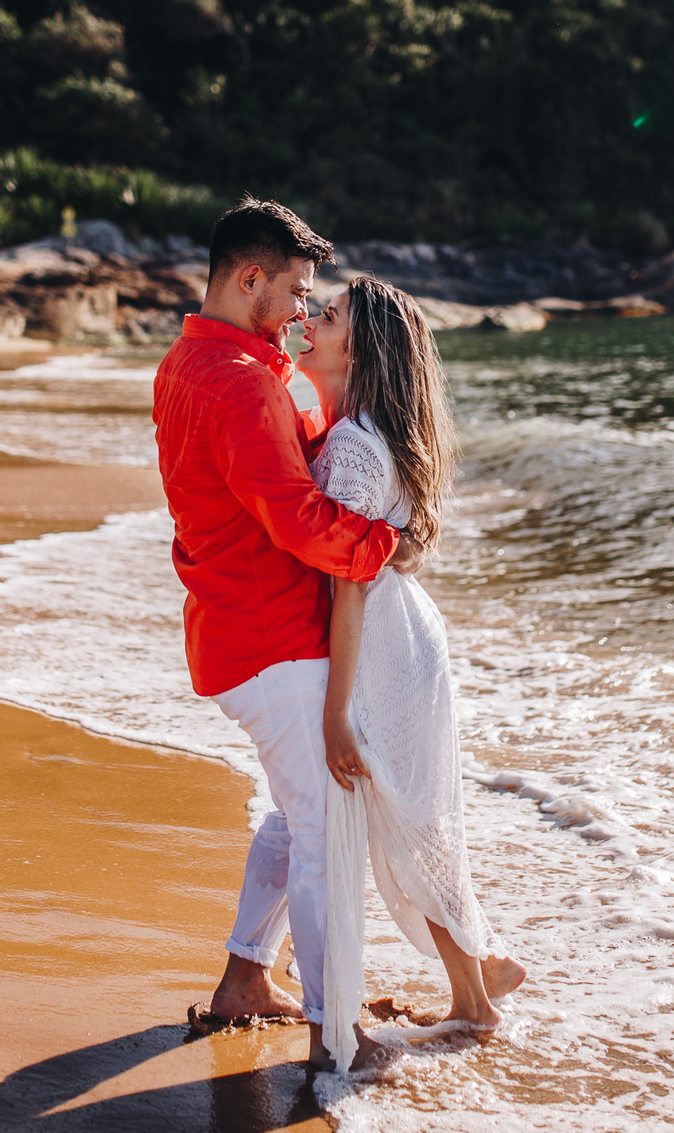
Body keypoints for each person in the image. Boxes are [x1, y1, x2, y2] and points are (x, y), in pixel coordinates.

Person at [152, 200, 422, 1068]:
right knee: (322, 837)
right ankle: (332, 1032)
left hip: (237, 632)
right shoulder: (240, 380)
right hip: (273, 644)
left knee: (292, 816)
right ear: (250, 278)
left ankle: (244, 982)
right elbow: (301, 520)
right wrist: (387, 540)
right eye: (298, 292)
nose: (306, 311)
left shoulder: (190, 363)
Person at [299, 275, 526, 1073]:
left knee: (405, 821)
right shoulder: (358, 434)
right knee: (416, 823)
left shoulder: (355, 448)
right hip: (406, 636)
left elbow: (347, 584)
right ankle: (478, 980)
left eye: (327, 316)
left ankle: (475, 996)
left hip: (385, 648)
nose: (310, 321)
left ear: (358, 348)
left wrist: (334, 711)